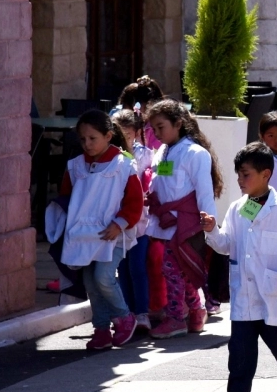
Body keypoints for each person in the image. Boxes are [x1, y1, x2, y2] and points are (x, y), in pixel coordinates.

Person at [200, 143, 277, 392]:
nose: (241, 180)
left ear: (266, 174)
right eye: (239, 175)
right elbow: (226, 245)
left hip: (272, 293)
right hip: (244, 297)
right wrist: (212, 230)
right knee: (240, 357)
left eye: (246, 175)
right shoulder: (237, 208)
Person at [61, 111, 143, 350]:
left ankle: (124, 317)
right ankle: (100, 329)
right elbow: (66, 197)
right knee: (91, 283)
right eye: (83, 139)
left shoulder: (124, 164)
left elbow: (134, 202)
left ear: (108, 136)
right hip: (85, 237)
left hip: (113, 235)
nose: (87, 144)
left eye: (92, 138)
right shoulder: (75, 166)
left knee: (103, 278)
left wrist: (119, 224)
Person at [145, 101, 222, 340]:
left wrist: (209, 224)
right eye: (153, 129)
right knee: (180, 271)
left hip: (185, 225)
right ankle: (196, 311)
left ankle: (177, 317)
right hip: (165, 222)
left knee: (172, 269)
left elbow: (204, 191)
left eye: (161, 127)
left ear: (178, 124)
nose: (157, 134)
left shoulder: (195, 153)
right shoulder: (163, 151)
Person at [110, 109, 155, 335]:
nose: (124, 138)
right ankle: (127, 311)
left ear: (137, 133)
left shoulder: (147, 155)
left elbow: (154, 178)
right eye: (119, 133)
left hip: (140, 223)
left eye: (128, 134)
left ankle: (142, 312)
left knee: (137, 267)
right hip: (117, 223)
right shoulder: (110, 156)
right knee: (122, 268)